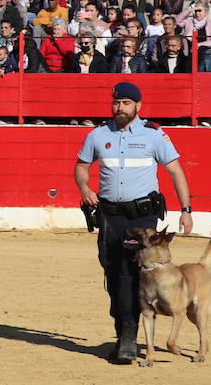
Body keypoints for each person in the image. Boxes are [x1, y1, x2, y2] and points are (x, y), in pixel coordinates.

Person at [74, 81, 194, 364]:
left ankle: (129, 337)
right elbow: (81, 167)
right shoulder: (98, 134)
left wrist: (186, 209)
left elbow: (176, 172)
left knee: (135, 274)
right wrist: (85, 188)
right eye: (116, 103)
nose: (120, 108)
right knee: (114, 273)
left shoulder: (154, 135)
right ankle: (122, 332)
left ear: (138, 106)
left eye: (126, 103)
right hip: (110, 216)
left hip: (142, 217)